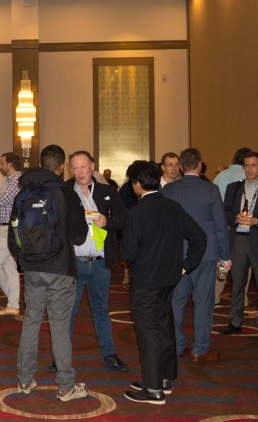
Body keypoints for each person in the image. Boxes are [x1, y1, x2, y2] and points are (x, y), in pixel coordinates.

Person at [122, 160, 206, 404]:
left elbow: (128, 253)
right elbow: (199, 237)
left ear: (137, 184)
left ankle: (153, 388)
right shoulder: (173, 207)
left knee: (148, 332)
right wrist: (186, 266)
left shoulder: (136, 213)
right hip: (170, 278)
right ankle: (164, 378)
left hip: (146, 281)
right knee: (163, 327)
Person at [10, 145, 89, 402]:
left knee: (31, 322)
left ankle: (24, 380)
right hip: (60, 269)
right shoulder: (65, 193)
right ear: (62, 167)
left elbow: (13, 236)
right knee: (59, 326)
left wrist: (25, 259)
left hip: (32, 268)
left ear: (41, 163)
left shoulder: (22, 194)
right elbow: (79, 236)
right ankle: (66, 386)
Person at [162, 148, 230, 360]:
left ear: (181, 167)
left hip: (177, 255)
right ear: (200, 165)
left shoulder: (168, 190)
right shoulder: (210, 190)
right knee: (203, 303)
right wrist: (225, 256)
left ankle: (177, 344)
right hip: (205, 255)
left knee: (176, 302)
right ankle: (200, 348)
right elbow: (220, 226)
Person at [64, 151, 129, 372]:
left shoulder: (107, 191)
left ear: (92, 166)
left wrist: (107, 222)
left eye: (83, 167)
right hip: (73, 264)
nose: (79, 172)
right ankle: (61, 357)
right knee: (68, 313)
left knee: (101, 310)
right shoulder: (65, 191)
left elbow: (122, 218)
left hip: (100, 263)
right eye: (75, 168)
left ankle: (109, 354)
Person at [221, 151, 258, 335]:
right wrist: (235, 217)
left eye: (254, 165)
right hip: (239, 240)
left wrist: (256, 221)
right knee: (237, 284)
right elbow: (225, 211)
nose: (250, 169)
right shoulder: (233, 188)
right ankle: (234, 322)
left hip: (256, 238)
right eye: (247, 165)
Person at [0, 152, 24, 317]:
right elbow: (3, 203)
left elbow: (1, 201)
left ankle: (12, 298)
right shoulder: (12, 180)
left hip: (7, 228)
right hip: (6, 227)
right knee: (10, 269)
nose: (0, 166)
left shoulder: (16, 180)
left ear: (10, 164)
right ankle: (13, 304)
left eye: (2, 163)